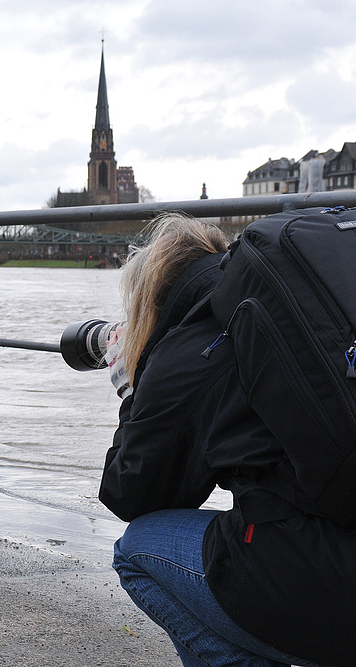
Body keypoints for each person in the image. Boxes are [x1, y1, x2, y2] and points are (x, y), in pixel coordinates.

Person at [98, 212, 356, 667]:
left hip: (336, 584)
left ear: (150, 300)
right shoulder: (300, 309)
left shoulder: (194, 346)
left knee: (136, 550)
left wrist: (132, 386)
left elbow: (130, 493)